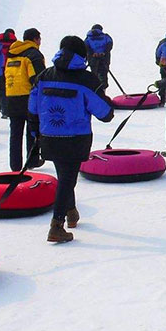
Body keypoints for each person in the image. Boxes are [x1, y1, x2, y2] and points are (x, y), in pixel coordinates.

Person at [29, 36, 114, 243]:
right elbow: (105, 113)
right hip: (75, 138)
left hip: (49, 135)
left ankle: (71, 212)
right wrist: (107, 102)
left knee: (64, 175)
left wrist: (34, 134)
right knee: (67, 179)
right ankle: (57, 225)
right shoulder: (86, 79)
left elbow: (32, 108)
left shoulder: (44, 76)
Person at [5, 28, 45, 171]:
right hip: (28, 98)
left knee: (15, 133)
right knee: (32, 130)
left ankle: (15, 166)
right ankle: (32, 160)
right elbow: (38, 78)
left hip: (11, 97)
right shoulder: (33, 54)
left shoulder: (12, 54)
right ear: (35, 39)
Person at [84, 24, 113, 89]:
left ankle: (95, 91)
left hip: (93, 60)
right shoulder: (106, 36)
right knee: (103, 75)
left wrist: (93, 53)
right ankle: (103, 90)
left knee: (94, 75)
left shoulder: (88, 38)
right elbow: (110, 45)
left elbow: (85, 47)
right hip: (104, 59)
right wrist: (104, 53)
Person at [0, 28, 17, 118]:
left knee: (2, 90)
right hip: (12, 68)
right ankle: (10, 110)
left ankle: (3, 110)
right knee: (11, 89)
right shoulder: (15, 44)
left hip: (0, 69)